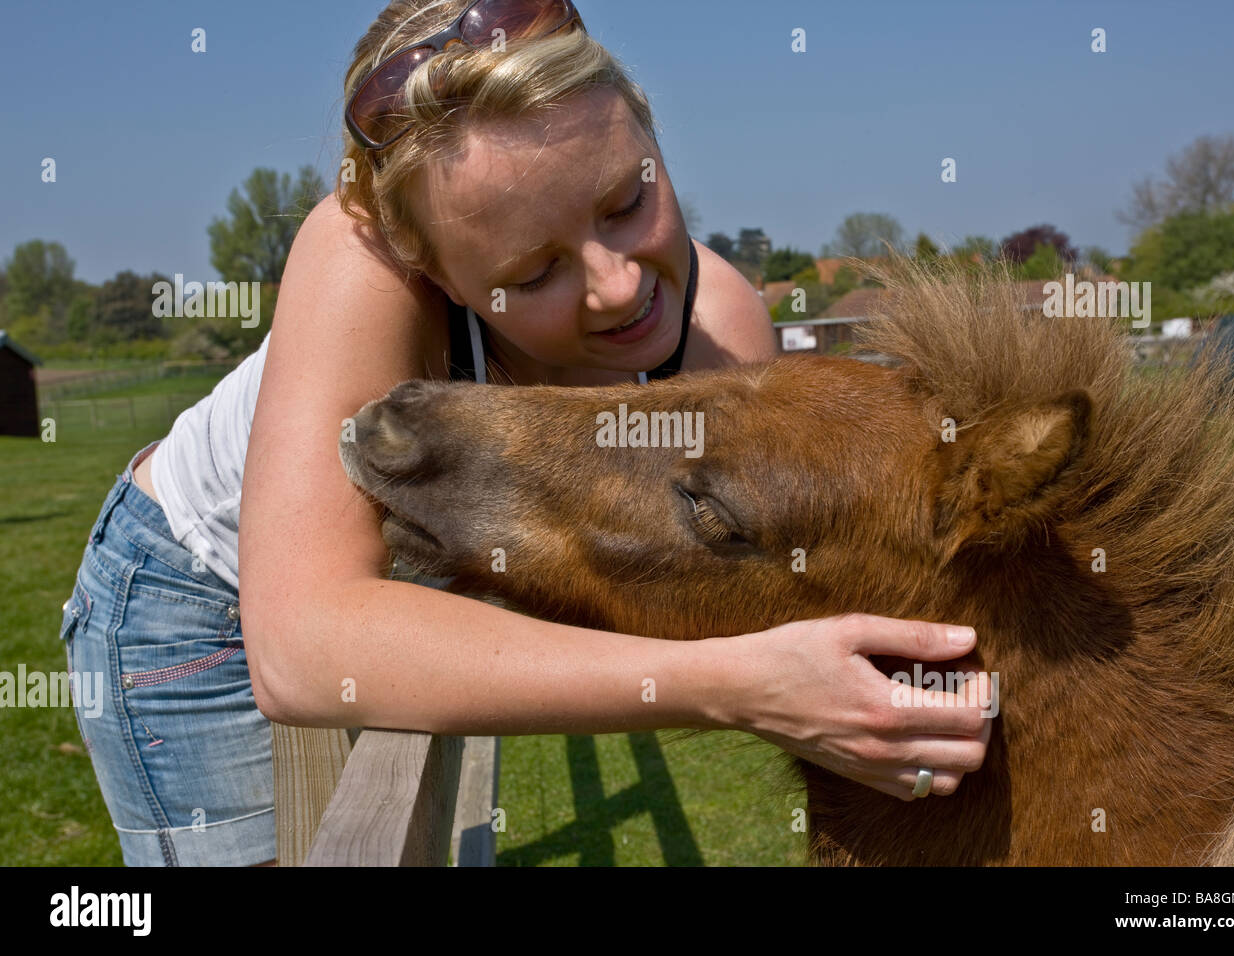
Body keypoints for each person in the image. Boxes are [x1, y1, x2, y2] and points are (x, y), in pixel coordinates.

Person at [59, 0, 989, 867]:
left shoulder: (720, 327)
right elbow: (304, 642)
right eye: (534, 271)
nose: (621, 284)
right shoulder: (359, 265)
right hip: (193, 601)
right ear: (435, 274)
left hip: (403, 575)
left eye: (628, 202)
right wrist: (736, 687)